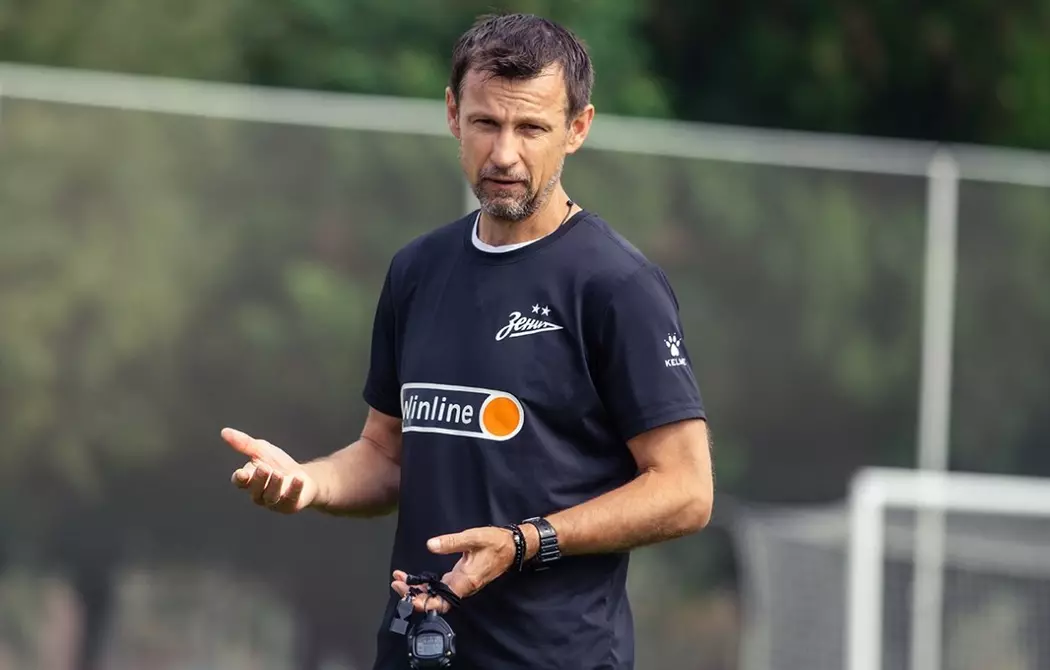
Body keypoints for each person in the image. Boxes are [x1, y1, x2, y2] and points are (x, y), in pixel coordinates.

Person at [221, 12, 714, 670]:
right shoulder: (417, 270)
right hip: (415, 649)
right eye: (486, 123)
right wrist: (310, 481)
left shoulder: (617, 285)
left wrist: (524, 542)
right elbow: (385, 454)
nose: (504, 154)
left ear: (577, 128)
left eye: (531, 128)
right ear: (453, 114)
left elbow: (686, 489)